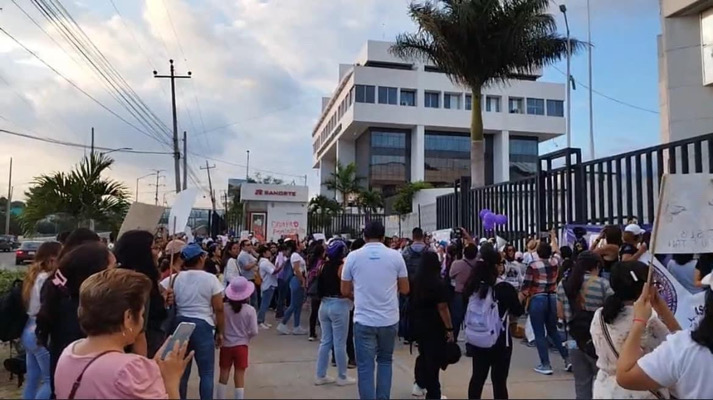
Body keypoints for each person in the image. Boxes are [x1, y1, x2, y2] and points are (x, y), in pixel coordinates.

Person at [54, 268, 192, 399]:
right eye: (142, 314)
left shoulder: (69, 352)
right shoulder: (130, 368)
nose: (142, 320)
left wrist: (151, 370)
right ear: (128, 318)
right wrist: (171, 382)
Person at [35, 242, 116, 397]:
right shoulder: (82, 313)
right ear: (95, 273)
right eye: (113, 267)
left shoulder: (62, 300)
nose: (117, 274)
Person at [590, 261, 680, 399]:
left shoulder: (600, 315)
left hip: (605, 390)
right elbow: (679, 347)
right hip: (639, 392)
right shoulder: (649, 321)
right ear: (645, 287)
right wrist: (662, 308)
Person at [615, 273, 713, 398]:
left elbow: (625, 376)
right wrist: (663, 310)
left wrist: (639, 321)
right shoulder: (685, 347)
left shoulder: (685, 348)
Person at [342, 221, 409, 400]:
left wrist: (360, 297)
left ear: (364, 236)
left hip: (363, 319)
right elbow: (405, 289)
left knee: (365, 367)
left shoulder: (353, 257)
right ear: (383, 236)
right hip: (389, 318)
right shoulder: (395, 256)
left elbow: (344, 290)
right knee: (385, 361)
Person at [160, 243, 225, 400]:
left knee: (180, 372)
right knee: (207, 373)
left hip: (180, 325)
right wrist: (221, 332)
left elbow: (162, 293)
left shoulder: (174, 279)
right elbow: (219, 308)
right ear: (201, 258)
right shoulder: (211, 279)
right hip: (203, 325)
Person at [465, 246, 524, 399]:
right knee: (499, 381)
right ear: (496, 266)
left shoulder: (473, 285)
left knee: (477, 378)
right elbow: (517, 311)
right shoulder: (504, 287)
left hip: (477, 336)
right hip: (500, 339)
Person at [556, 251, 613, 399]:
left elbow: (560, 314)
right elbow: (612, 312)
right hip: (598, 342)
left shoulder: (563, 284)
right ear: (596, 266)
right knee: (605, 384)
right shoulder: (603, 284)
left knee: (582, 385)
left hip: (574, 341)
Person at [520, 230, 570, 375]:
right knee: (553, 330)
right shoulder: (555, 262)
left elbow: (526, 286)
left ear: (538, 253)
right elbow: (557, 252)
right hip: (552, 297)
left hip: (538, 298)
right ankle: (567, 359)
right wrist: (553, 238)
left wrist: (520, 301)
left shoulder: (533, 265)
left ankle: (545, 364)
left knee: (539, 332)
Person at [114, 230, 168, 358]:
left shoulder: (121, 277)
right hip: (143, 350)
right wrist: (143, 367)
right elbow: (139, 332)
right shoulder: (138, 283)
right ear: (142, 252)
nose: (158, 253)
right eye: (154, 248)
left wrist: (161, 300)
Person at [409, 252, 454, 399]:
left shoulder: (415, 281)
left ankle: (420, 384)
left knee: (424, 355)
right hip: (434, 325)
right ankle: (434, 392)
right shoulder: (437, 283)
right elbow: (443, 308)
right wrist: (449, 328)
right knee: (433, 360)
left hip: (418, 323)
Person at [20, 241, 61, 400]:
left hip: (28, 329)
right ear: (52, 259)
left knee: (33, 379)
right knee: (51, 382)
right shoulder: (48, 279)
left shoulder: (33, 276)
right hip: (39, 332)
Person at [314, 239, 356, 386]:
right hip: (339, 305)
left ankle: (320, 374)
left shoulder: (322, 266)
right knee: (339, 343)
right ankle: (342, 376)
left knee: (325, 341)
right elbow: (346, 289)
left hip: (324, 305)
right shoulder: (342, 268)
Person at [217, 277, 258, 400]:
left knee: (223, 374)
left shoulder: (223, 308)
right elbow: (254, 331)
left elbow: (217, 322)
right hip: (242, 346)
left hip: (226, 345)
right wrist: (246, 337)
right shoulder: (250, 310)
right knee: (239, 375)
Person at [277, 239, 309, 335]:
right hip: (297, 280)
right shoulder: (295, 256)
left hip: (297, 279)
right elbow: (297, 270)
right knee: (294, 304)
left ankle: (296, 325)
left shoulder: (295, 255)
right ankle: (283, 323)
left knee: (298, 304)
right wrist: (303, 280)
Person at [448, 243, 477, 342]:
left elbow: (451, 275)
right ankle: (471, 342)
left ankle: (453, 340)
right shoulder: (478, 264)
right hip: (473, 293)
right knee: (472, 320)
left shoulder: (457, 264)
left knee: (456, 319)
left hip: (459, 292)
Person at [257, 244, 279, 329]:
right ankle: (260, 320)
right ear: (264, 253)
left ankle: (262, 320)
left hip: (269, 284)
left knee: (266, 303)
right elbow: (273, 271)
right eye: (268, 251)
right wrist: (281, 267)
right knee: (264, 304)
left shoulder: (265, 262)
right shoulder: (265, 263)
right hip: (268, 284)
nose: (270, 252)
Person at [308, 243, 326, 341]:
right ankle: (323, 333)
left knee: (314, 312)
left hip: (312, 287)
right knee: (321, 312)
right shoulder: (321, 263)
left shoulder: (312, 261)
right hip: (319, 287)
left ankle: (311, 332)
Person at [236, 240, 259, 307]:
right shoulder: (243, 255)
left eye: (250, 244)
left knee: (253, 298)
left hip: (251, 277)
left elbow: (257, 257)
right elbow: (247, 267)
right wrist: (255, 263)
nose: (250, 246)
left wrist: (253, 252)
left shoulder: (248, 254)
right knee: (251, 299)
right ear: (243, 247)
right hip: (247, 279)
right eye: (248, 245)